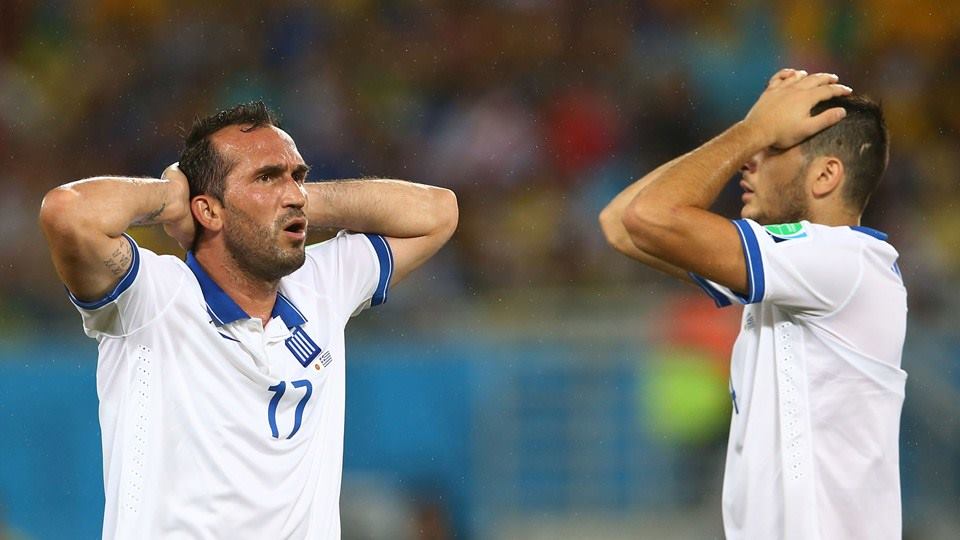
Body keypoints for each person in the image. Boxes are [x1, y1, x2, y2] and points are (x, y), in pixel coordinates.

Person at [39, 101, 458, 539]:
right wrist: (171, 199)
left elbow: (438, 213)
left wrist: (292, 205)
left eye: (297, 175)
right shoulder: (152, 300)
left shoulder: (321, 285)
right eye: (267, 177)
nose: (295, 192)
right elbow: (67, 214)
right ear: (209, 210)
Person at [600, 69, 906, 539]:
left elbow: (649, 216)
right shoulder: (796, 268)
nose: (748, 161)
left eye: (774, 149)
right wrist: (756, 127)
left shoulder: (845, 262)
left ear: (826, 174)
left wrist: (754, 129)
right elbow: (621, 223)